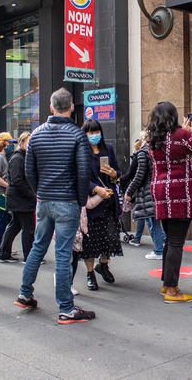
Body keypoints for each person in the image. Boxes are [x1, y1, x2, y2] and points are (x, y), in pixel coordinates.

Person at [15, 87, 95, 325]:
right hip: (67, 200)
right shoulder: (77, 135)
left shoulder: (36, 134)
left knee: (38, 247)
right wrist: (81, 200)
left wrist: (40, 191)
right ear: (71, 107)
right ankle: (66, 308)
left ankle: (24, 293)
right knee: (62, 253)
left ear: (51, 107)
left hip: (44, 200)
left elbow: (30, 171)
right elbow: (83, 173)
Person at [147, 102, 192, 303]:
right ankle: (172, 290)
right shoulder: (182, 135)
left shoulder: (152, 139)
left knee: (169, 240)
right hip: (180, 192)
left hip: (160, 192)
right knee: (176, 242)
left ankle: (166, 283)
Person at [80, 119, 123, 291]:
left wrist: (114, 174)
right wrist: (96, 188)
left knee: (110, 239)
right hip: (92, 204)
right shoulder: (81, 153)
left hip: (108, 201)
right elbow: (80, 178)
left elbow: (117, 173)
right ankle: (90, 273)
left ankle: (103, 265)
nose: (94, 135)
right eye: (90, 132)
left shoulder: (108, 149)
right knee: (90, 242)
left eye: (97, 132)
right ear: (85, 134)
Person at [123, 132, 164, 260]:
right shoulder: (158, 150)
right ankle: (162, 246)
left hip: (148, 191)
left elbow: (139, 175)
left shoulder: (143, 153)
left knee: (153, 222)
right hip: (159, 188)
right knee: (154, 220)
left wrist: (129, 192)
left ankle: (158, 251)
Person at [0, 132, 35, 263]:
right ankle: (28, 256)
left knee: (15, 226)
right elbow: (18, 181)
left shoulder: (21, 157)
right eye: (29, 142)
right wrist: (32, 195)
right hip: (21, 200)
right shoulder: (18, 158)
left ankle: (3, 252)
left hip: (18, 199)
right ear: (22, 142)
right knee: (27, 228)